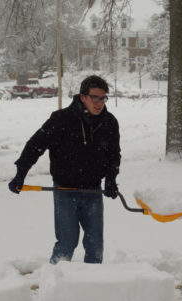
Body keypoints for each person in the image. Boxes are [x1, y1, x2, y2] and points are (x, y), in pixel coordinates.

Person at [7, 75, 121, 264]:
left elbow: (113, 155)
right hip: (64, 191)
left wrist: (110, 179)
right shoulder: (61, 119)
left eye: (103, 98)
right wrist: (21, 173)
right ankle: (55, 284)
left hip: (93, 190)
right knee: (66, 243)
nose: (99, 103)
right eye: (95, 97)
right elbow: (36, 145)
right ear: (83, 97)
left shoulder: (109, 122)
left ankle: (94, 286)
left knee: (95, 245)